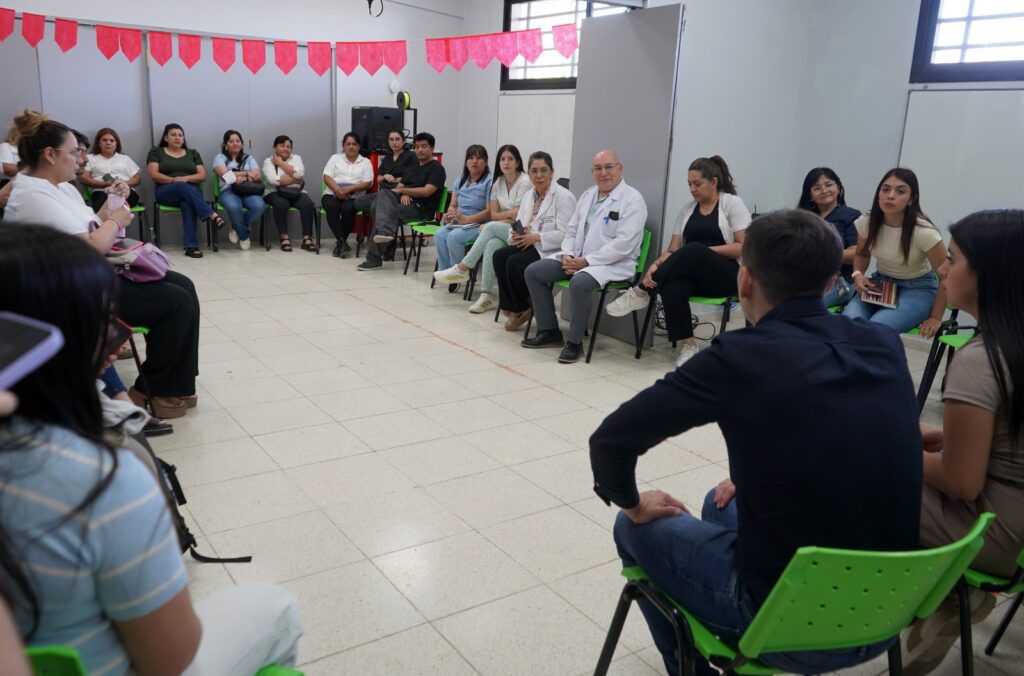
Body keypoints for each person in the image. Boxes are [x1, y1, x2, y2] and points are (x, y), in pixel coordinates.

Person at [591, 209, 922, 676]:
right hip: (886, 611)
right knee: (719, 502)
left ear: (744, 280)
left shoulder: (736, 357)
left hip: (784, 625)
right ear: (831, 283)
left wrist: (632, 503)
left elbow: (610, 441)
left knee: (633, 527)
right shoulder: (883, 344)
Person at [0, 226, 303, 676]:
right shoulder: (100, 479)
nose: (121, 340)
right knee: (277, 607)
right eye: (102, 322)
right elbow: (170, 659)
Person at [5, 111, 200, 420]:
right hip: (70, 293)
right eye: (74, 152)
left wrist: (113, 202)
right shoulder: (31, 194)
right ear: (50, 155)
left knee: (183, 285)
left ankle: (177, 383)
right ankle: (154, 389)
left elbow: (96, 226)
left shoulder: (62, 187)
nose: (80, 160)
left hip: (91, 276)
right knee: (174, 302)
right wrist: (117, 219)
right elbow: (93, 247)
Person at [902, 209, 1024, 675]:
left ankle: (863, 608)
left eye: (952, 260)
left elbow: (961, 481)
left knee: (851, 468)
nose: (944, 270)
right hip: (1015, 520)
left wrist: (897, 451)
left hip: (990, 532)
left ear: (990, 275)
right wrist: (934, 436)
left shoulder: (981, 359)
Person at [605, 156, 751, 367]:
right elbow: (673, 250)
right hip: (695, 274)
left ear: (714, 182)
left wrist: (704, 252)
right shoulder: (687, 209)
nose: (692, 189)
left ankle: (640, 291)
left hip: (727, 274)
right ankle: (689, 345)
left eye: (697, 184)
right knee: (672, 287)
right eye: (689, 184)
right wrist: (655, 266)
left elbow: (742, 246)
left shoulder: (731, 203)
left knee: (693, 249)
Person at [522, 149, 646, 364]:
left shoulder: (633, 200)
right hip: (577, 257)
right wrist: (569, 254)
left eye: (609, 167)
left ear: (620, 168)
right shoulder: (588, 195)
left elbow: (624, 244)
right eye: (598, 168)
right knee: (533, 272)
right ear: (592, 172)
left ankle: (575, 342)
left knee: (579, 283)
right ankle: (549, 330)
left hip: (612, 264)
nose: (604, 173)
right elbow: (571, 230)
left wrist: (586, 262)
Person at [842, 168, 947, 336]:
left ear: (912, 199)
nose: (890, 195)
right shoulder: (867, 221)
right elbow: (861, 254)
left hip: (918, 289)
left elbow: (946, 275)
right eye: (885, 189)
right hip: (881, 283)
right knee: (847, 324)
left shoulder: (924, 232)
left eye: (900, 191)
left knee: (875, 330)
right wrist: (857, 274)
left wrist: (936, 317)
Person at [433, 144, 532, 313]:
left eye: (510, 159)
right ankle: (486, 296)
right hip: (503, 228)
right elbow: (495, 214)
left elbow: (520, 216)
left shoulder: (525, 181)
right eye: (502, 159)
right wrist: (509, 214)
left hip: (522, 231)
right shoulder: (498, 183)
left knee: (489, 227)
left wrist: (507, 215)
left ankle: (462, 269)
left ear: (518, 162)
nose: (506, 162)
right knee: (491, 244)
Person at [489, 151, 576, 331]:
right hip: (528, 243)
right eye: (534, 171)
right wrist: (515, 235)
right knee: (499, 256)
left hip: (550, 249)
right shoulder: (529, 195)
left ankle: (525, 306)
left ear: (552, 172)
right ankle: (519, 306)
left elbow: (568, 235)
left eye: (543, 170)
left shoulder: (564, 197)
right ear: (528, 174)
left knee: (514, 262)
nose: (539, 175)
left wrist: (537, 237)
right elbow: (519, 222)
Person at [358, 131, 446, 272]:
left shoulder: (437, 169)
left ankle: (377, 253)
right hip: (404, 203)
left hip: (421, 209)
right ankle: (386, 234)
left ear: (432, 149)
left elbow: (426, 192)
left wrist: (404, 192)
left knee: (381, 207)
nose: (420, 150)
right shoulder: (414, 167)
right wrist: (402, 193)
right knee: (368, 201)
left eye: (424, 146)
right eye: (417, 147)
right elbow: (400, 186)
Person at [147, 123, 225, 259]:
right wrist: (173, 181)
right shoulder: (156, 152)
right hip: (166, 191)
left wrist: (184, 178)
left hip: (191, 191)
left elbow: (202, 175)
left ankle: (191, 247)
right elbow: (153, 174)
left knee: (187, 201)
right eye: (173, 135)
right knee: (182, 186)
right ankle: (212, 214)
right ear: (166, 138)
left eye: (180, 135)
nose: (177, 138)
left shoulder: (192, 153)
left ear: (183, 138)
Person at [797, 167, 861, 307]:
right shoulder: (803, 217)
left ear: (838, 188)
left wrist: (821, 254)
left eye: (829, 185)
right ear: (810, 194)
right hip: (803, 277)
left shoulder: (851, 215)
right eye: (817, 188)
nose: (824, 190)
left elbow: (855, 254)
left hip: (839, 281)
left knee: (800, 308)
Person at [353, 129, 416, 260]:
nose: (394, 142)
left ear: (403, 141)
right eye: (391, 139)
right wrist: (384, 176)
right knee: (359, 202)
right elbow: (378, 178)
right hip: (383, 192)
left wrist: (405, 191)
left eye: (397, 139)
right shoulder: (387, 157)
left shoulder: (410, 157)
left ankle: (383, 245)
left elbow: (414, 178)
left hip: (396, 193)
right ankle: (389, 240)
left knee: (377, 207)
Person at [433, 144, 493, 276]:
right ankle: (446, 271)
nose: (474, 161)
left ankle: (459, 273)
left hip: (479, 224)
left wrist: (466, 219)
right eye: (471, 158)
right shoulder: (460, 180)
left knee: (454, 237)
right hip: (458, 222)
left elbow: (490, 211)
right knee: (439, 235)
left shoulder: (490, 181)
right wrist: (450, 213)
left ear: (486, 162)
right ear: (466, 162)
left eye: (479, 158)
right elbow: (453, 204)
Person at [212, 129, 267, 251]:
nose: (235, 143)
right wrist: (247, 173)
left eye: (238, 141)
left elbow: (258, 175)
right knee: (234, 207)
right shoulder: (219, 158)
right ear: (225, 145)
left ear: (241, 144)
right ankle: (244, 235)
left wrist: (237, 175)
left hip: (248, 189)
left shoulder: (249, 158)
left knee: (259, 206)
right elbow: (224, 175)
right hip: (228, 190)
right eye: (231, 141)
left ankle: (237, 227)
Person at [321, 131, 374, 258]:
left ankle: (341, 243)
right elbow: (327, 176)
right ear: (343, 146)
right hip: (332, 192)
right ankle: (342, 242)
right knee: (331, 206)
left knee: (347, 208)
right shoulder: (335, 158)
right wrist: (338, 190)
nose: (351, 147)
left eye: (354, 144)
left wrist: (350, 188)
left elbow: (368, 183)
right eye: (348, 144)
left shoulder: (365, 162)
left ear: (359, 146)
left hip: (355, 195)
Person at [263, 134, 317, 252]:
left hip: (296, 192)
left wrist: (281, 164)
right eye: (282, 146)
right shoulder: (268, 161)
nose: (286, 149)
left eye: (289, 146)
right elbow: (273, 180)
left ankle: (307, 238)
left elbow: (300, 173)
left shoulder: (297, 158)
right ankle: (284, 237)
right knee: (282, 204)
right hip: (274, 192)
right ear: (274, 148)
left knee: (307, 204)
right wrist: (295, 179)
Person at [81, 127, 142, 212]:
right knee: (108, 197)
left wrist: (121, 184)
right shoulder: (90, 158)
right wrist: (105, 184)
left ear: (116, 144)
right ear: (99, 143)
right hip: (101, 192)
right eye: (104, 140)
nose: (108, 143)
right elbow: (84, 179)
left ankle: (92, 219)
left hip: (126, 192)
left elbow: (137, 179)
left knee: (113, 198)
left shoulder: (125, 159)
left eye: (112, 140)